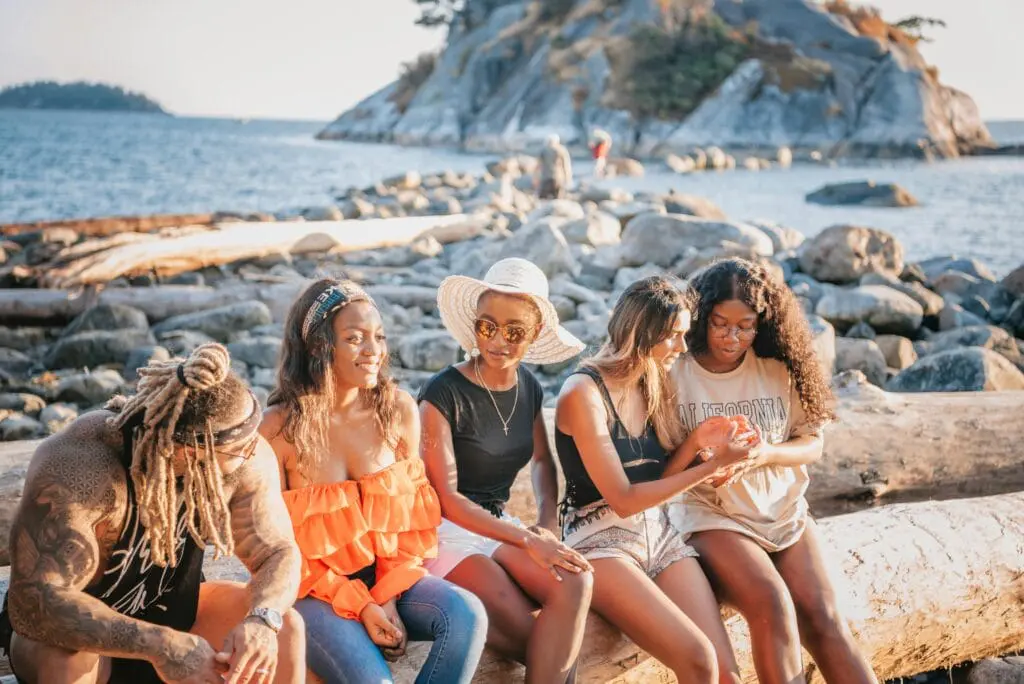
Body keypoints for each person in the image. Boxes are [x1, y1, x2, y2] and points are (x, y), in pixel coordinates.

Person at [0, 343, 305, 684]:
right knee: (63, 663)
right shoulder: (81, 465)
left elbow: (279, 551)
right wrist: (160, 645)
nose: (254, 450)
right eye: (241, 448)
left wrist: (262, 620)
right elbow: (33, 604)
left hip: (175, 619)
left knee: (284, 629)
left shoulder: (242, 451)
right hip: (83, 640)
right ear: (190, 451)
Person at [261, 279, 488, 684]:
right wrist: (361, 607)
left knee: (467, 614)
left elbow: (409, 525)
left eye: (378, 337)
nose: (373, 351)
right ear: (318, 346)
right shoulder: (277, 430)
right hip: (313, 594)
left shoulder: (397, 411)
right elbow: (276, 550)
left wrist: (387, 596)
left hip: (389, 582)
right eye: (354, 338)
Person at [668, 258, 878, 684]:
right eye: (720, 323)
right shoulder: (676, 372)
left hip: (784, 512)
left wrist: (764, 453)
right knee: (772, 602)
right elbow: (662, 465)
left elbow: (811, 443)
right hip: (713, 516)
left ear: (761, 322)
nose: (731, 337)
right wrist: (712, 462)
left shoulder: (778, 366)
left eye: (744, 326)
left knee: (825, 619)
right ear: (701, 316)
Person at [555, 275, 757, 684]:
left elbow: (658, 481)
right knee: (698, 659)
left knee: (727, 674)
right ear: (640, 333)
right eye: (674, 336)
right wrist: (710, 467)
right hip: (599, 542)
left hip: (658, 534)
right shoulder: (583, 393)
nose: (682, 348)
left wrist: (699, 442)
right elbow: (625, 498)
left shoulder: (651, 380)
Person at [419, 257, 593, 684]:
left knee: (576, 580)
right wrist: (527, 541)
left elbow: (541, 462)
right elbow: (447, 499)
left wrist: (546, 525)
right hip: (441, 531)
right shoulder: (442, 393)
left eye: (514, 331)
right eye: (486, 326)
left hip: (496, 525)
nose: (497, 340)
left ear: (534, 334)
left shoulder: (529, 387)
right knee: (541, 644)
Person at [536, 133, 573, 199]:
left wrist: (536, 178)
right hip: (559, 178)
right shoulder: (561, 150)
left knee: (542, 200)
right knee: (558, 199)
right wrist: (568, 179)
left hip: (546, 178)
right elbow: (566, 165)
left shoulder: (544, 150)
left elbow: (538, 166)